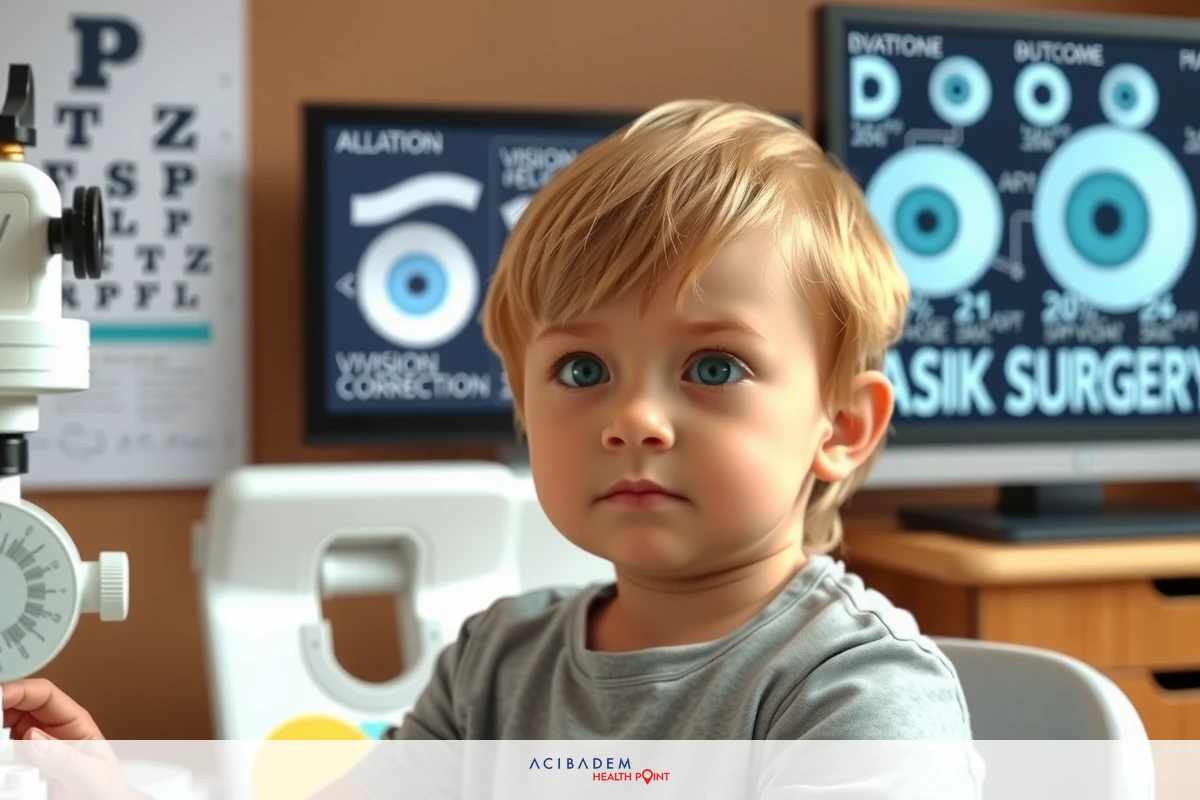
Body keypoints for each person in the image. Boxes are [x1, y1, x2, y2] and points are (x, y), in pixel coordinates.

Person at [2, 100, 981, 798]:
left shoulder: (858, 691)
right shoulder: (497, 663)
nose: (634, 418)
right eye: (582, 369)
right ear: (520, 405)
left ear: (841, 427)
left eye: (714, 368)